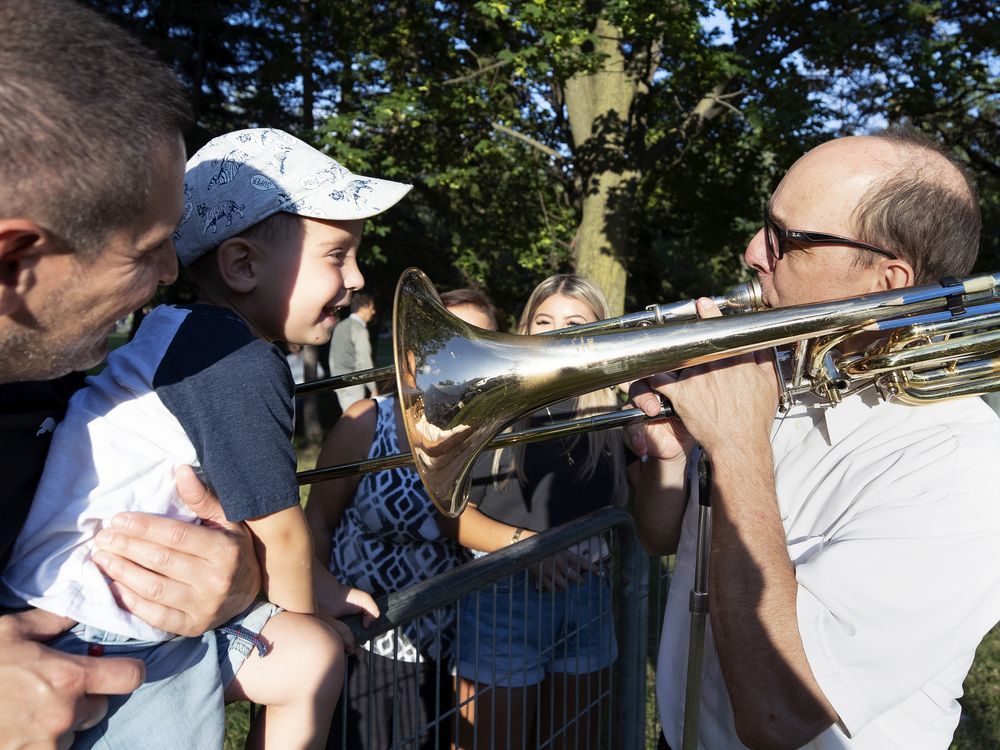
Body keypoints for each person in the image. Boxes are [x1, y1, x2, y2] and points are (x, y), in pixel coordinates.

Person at [3, 127, 402, 747]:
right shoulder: (235, 359)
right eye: (335, 255)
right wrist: (306, 614)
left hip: (80, 603)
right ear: (242, 264)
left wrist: (325, 591)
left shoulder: (184, 335)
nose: (356, 279)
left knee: (310, 657)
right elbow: (281, 532)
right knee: (309, 649)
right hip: (99, 631)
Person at [629, 128, 1000, 749]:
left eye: (787, 241)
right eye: (763, 226)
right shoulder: (782, 370)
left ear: (889, 282)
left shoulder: (965, 467)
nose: (753, 251)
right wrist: (671, 458)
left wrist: (738, 446)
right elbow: (660, 536)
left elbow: (780, 714)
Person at [0, 2, 265, 746]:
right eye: (146, 249)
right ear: (15, 262)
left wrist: (237, 581)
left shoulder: (54, 375)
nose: (173, 271)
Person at [308, 287, 500, 750]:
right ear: (413, 353)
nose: (460, 356)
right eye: (445, 339)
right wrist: (315, 613)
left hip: (454, 653)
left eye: (477, 342)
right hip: (364, 646)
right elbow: (316, 523)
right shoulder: (366, 422)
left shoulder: (497, 430)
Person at [452, 274, 631, 750]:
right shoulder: (491, 408)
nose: (556, 331)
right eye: (544, 320)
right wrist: (534, 551)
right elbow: (456, 519)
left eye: (575, 322)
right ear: (526, 329)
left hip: (588, 594)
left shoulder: (614, 414)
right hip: (502, 594)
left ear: (600, 331)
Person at [329, 292, 378, 411]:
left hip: (338, 381)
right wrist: (373, 388)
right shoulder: (359, 330)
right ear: (363, 308)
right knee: (356, 422)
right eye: (371, 308)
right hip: (353, 383)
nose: (373, 312)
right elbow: (364, 361)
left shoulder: (340, 326)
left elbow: (332, 357)